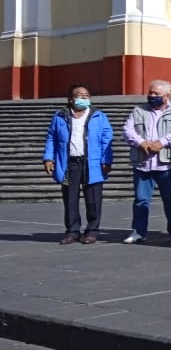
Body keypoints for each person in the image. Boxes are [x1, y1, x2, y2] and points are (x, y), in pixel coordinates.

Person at [42, 85, 114, 244]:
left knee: (93, 199)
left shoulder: (98, 116)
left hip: (92, 163)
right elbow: (51, 138)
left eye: (86, 95)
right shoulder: (60, 116)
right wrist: (48, 158)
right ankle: (72, 231)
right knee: (70, 199)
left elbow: (106, 139)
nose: (83, 98)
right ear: (70, 99)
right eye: (79, 95)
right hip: (69, 164)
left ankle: (92, 231)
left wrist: (106, 160)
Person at [122, 80, 171, 244]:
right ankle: (138, 232)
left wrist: (162, 142)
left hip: (167, 164)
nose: (152, 96)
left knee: (170, 198)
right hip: (143, 163)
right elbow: (127, 129)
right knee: (141, 200)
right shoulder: (138, 110)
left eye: (156, 94)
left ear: (167, 96)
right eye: (150, 92)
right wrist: (141, 142)